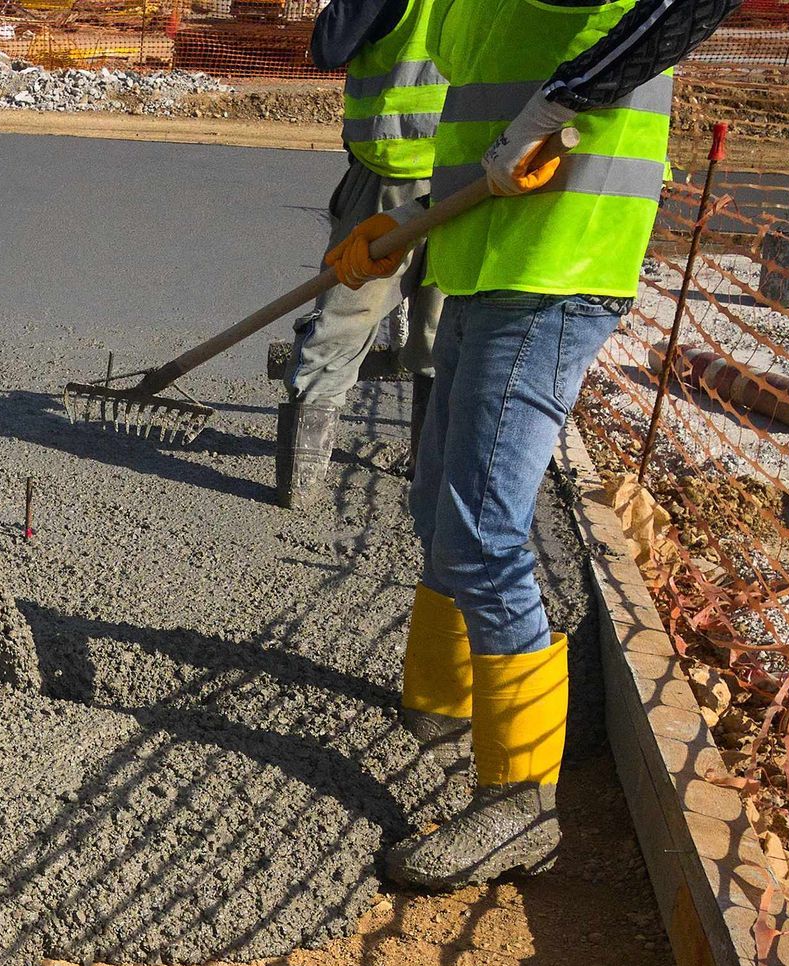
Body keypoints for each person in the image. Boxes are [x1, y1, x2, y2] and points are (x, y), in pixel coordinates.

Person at [319, 0, 741, 886]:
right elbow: (485, 140)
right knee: (434, 502)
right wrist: (406, 226)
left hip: (557, 272)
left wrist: (558, 104)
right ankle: (442, 704)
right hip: (482, 262)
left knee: (481, 531)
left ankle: (520, 806)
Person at [275, 0, 447, 508]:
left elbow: (329, 45)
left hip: (396, 180)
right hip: (474, 177)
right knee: (444, 337)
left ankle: (300, 487)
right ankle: (430, 474)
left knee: (342, 324)